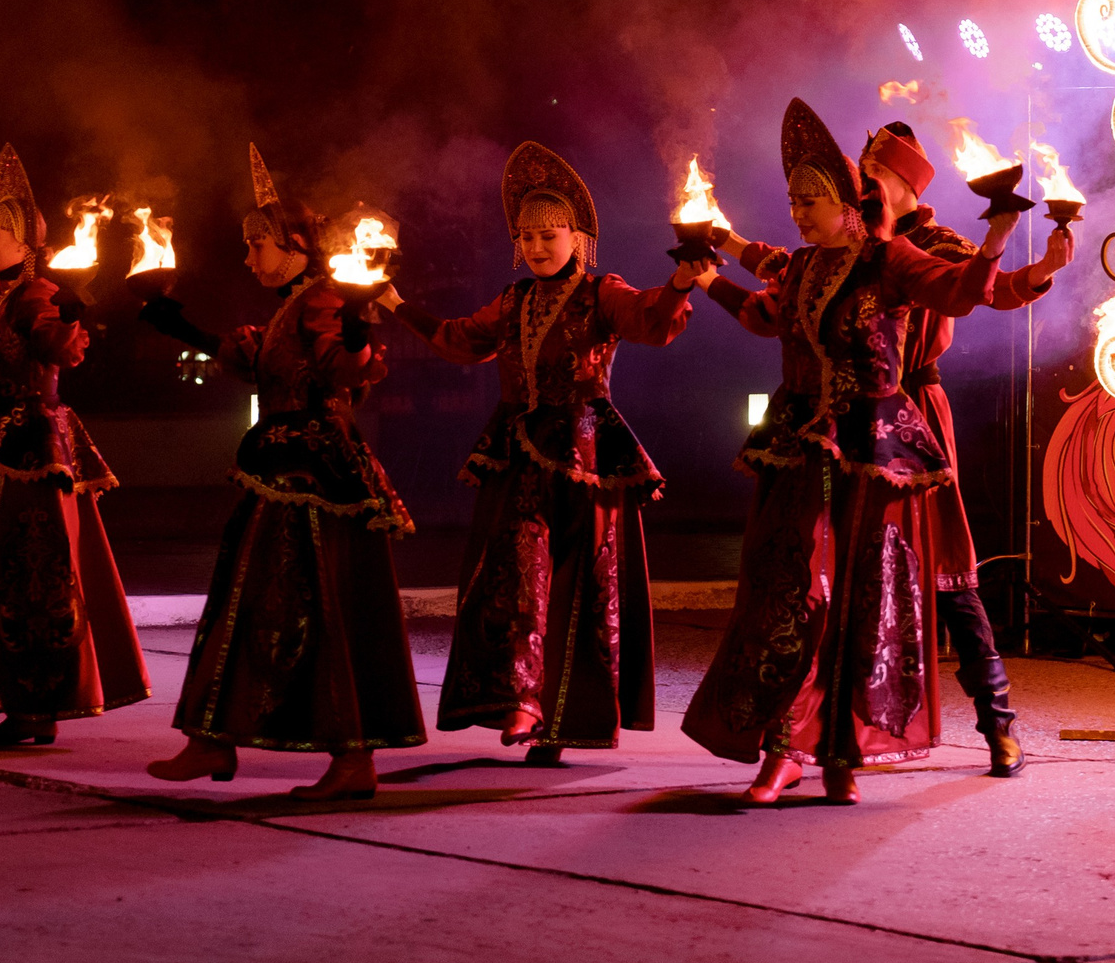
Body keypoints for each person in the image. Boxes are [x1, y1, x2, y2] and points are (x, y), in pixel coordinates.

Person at [681, 98, 1020, 804]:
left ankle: (843, 754)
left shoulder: (896, 255)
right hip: (805, 452)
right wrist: (707, 274)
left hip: (879, 455)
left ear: (849, 201)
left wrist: (999, 241)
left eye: (812, 198)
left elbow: (958, 290)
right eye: (794, 198)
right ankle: (785, 746)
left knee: (869, 602)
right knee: (798, 589)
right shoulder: (802, 266)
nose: (799, 210)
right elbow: (761, 313)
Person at [375, 142, 709, 762]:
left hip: (586, 455)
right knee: (517, 577)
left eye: (548, 234)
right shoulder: (513, 300)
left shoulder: (602, 290)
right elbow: (457, 341)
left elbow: (650, 322)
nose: (534, 247)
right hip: (520, 455)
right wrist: (394, 303)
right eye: (525, 236)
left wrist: (681, 282)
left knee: (579, 589)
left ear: (578, 238)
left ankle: (562, 717)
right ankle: (522, 700)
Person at [134, 146, 424, 799]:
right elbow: (264, 363)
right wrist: (182, 328)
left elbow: (344, 372)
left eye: (259, 243)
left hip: (315, 478)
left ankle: (352, 758)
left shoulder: (323, 300)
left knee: (321, 610)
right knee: (245, 603)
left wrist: (353, 327)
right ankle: (213, 737)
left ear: (297, 246)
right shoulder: (295, 302)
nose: (249, 256)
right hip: (279, 472)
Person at [0, 144, 148, 744]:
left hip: (34, 450)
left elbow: (55, 348)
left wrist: (70, 317)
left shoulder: (34, 293)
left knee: (31, 579)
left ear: (25, 243)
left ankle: (33, 707)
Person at [853, 119, 1070, 776]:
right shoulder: (856, 243)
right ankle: (843, 728)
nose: (860, 188)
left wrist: (1039, 268)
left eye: (871, 177)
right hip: (858, 416)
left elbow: (991, 290)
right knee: (850, 565)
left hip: (917, 411)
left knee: (947, 568)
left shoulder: (935, 244)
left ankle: (998, 723)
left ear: (903, 184)